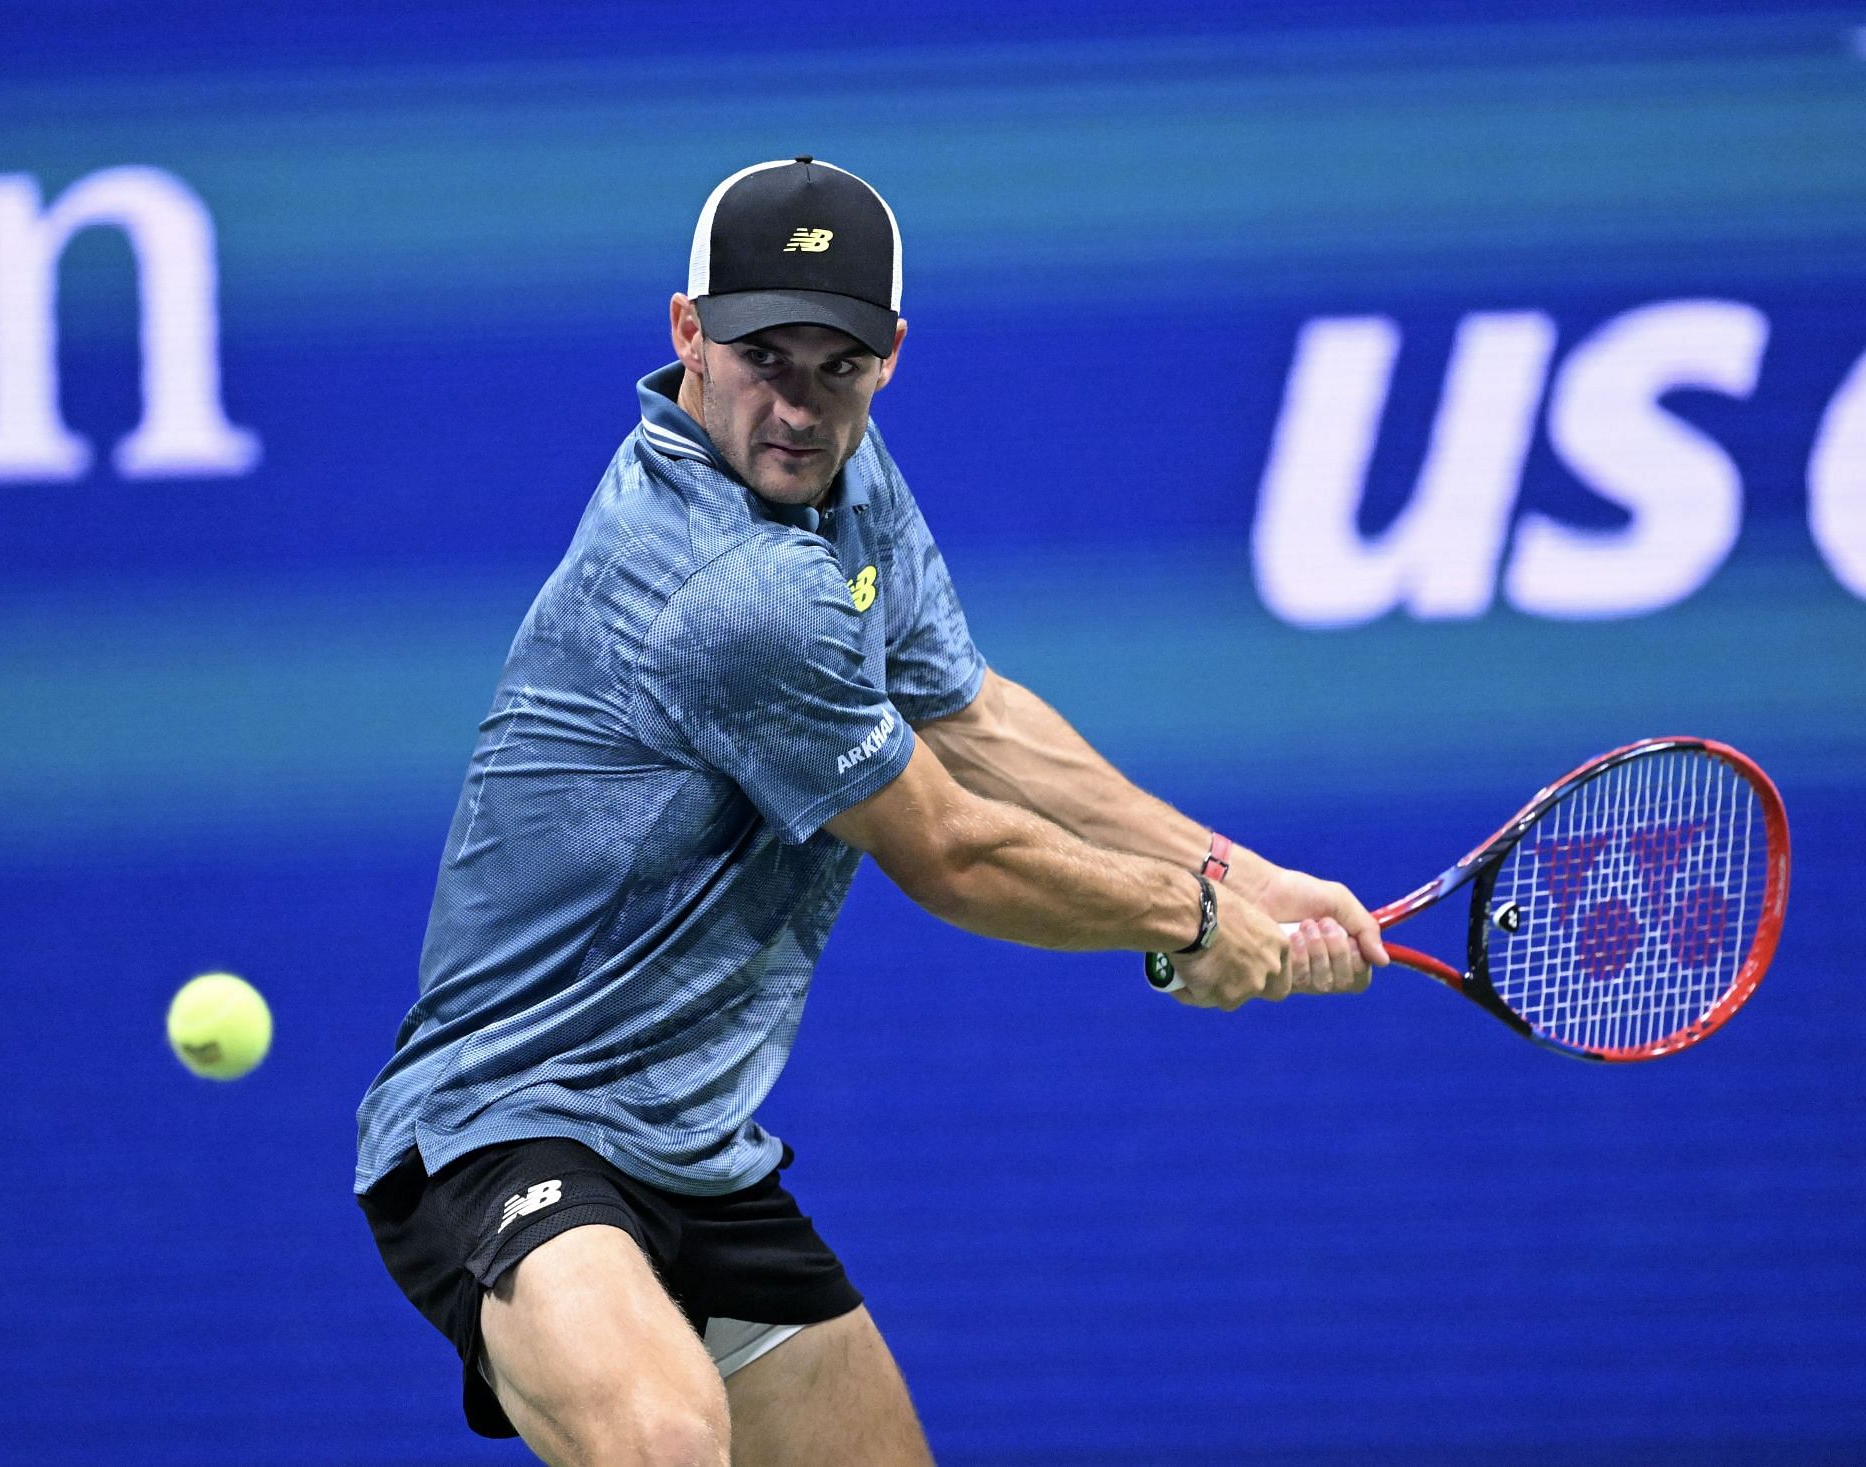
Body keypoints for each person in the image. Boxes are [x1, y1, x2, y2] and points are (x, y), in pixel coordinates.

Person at [354, 156, 1387, 1467]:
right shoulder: (729, 591)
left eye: (834, 365)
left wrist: (1236, 870)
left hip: (691, 1141)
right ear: (688, 333)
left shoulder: (841, 479)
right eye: (759, 356)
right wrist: (1187, 917)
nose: (795, 404)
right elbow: (952, 851)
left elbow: (972, 717)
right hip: (508, 1125)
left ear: (889, 356)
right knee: (664, 1443)